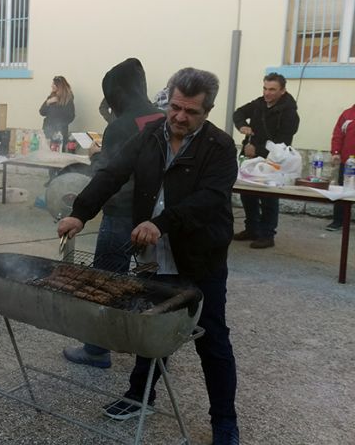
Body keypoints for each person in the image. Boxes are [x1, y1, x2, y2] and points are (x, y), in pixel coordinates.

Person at [57, 68, 240, 445]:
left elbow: (210, 199)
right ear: (168, 100)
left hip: (199, 256)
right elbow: (112, 173)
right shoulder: (151, 134)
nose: (179, 117)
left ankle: (225, 420)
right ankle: (139, 396)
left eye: (191, 112)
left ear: (208, 111)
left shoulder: (220, 147)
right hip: (155, 255)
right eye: (175, 107)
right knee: (150, 327)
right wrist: (80, 211)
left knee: (213, 340)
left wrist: (161, 222)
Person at [63, 58, 165, 369]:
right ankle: (155, 351)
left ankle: (96, 350)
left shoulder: (120, 126)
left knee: (104, 283)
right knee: (151, 284)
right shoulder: (161, 117)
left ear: (116, 93)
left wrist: (95, 155)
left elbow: (108, 173)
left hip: (120, 214)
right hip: (154, 218)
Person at [232, 72, 300, 249]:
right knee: (247, 194)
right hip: (251, 157)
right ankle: (252, 229)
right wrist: (242, 126)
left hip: (274, 160)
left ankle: (267, 234)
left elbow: (283, 143)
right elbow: (238, 113)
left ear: (282, 91)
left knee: (269, 197)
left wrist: (258, 149)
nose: (267, 93)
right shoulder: (258, 104)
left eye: (272, 89)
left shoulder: (290, 113)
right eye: (265, 88)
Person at [327, 103, 355, 231]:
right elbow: (338, 135)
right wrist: (336, 153)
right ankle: (338, 221)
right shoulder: (347, 114)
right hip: (348, 162)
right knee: (343, 191)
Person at [39, 75, 76, 150]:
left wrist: (60, 125)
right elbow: (42, 112)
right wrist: (48, 102)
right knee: (46, 152)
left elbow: (71, 116)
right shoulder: (51, 97)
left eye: (53, 84)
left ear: (59, 86)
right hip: (47, 131)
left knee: (58, 154)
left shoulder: (68, 99)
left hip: (60, 133)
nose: (51, 86)